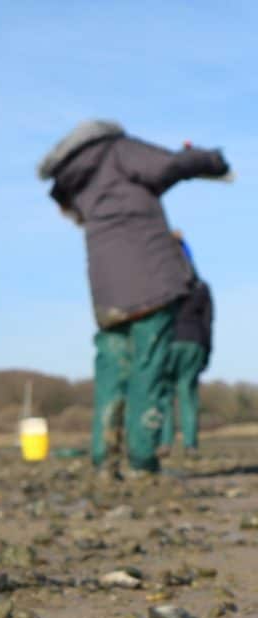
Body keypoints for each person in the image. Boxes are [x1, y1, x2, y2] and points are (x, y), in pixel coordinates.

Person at [38, 120, 230, 477]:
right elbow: (169, 166)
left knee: (112, 370)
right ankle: (142, 459)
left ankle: (104, 459)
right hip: (150, 280)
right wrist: (211, 161)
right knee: (148, 369)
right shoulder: (118, 150)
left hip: (107, 289)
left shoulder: (75, 178)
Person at [159, 234, 213, 458]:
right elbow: (208, 321)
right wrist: (206, 351)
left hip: (169, 342)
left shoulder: (161, 285)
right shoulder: (201, 287)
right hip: (194, 342)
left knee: (165, 395)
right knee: (188, 394)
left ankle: (165, 443)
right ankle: (190, 445)